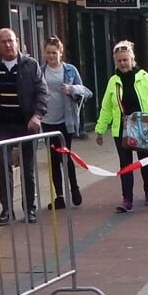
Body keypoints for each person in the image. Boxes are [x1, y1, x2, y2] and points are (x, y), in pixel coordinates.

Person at [0, 27, 48, 224]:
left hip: (27, 125)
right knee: (3, 165)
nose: (7, 45)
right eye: (3, 42)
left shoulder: (30, 65)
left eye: (10, 41)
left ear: (17, 42)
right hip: (4, 126)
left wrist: (37, 115)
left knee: (27, 168)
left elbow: (42, 93)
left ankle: (30, 209)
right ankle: (7, 210)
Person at [93, 40, 148, 212]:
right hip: (121, 128)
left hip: (143, 126)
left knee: (145, 162)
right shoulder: (113, 81)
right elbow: (106, 107)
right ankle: (127, 199)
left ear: (132, 59)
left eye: (125, 60)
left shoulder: (144, 77)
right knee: (125, 165)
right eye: (119, 61)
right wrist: (99, 129)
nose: (123, 63)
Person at [41, 36, 91, 210]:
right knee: (53, 159)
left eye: (54, 53)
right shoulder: (41, 71)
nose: (51, 56)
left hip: (66, 120)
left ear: (60, 53)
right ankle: (60, 196)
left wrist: (70, 89)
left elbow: (85, 91)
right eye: (48, 53)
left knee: (66, 156)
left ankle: (74, 188)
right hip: (47, 120)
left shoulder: (70, 70)